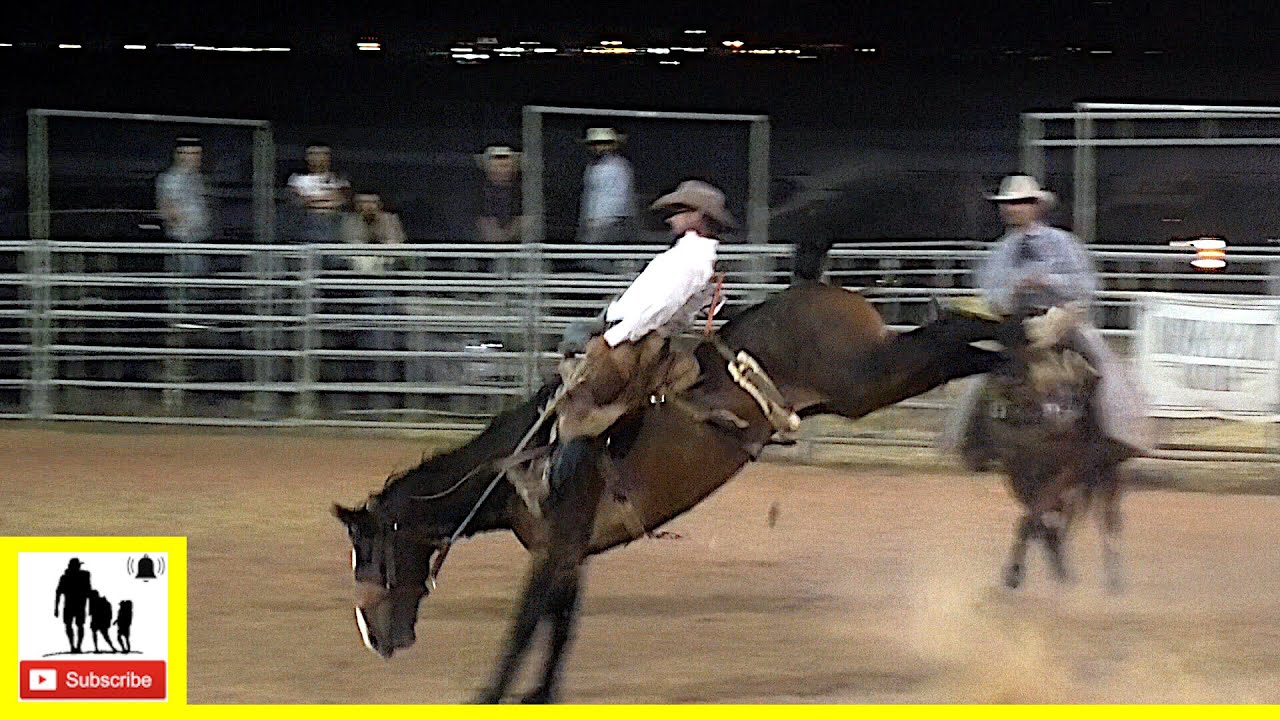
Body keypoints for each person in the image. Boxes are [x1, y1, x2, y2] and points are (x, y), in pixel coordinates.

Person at [942, 175, 1155, 469]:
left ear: (1036, 207)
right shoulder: (1001, 252)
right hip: (1018, 320)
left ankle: (1117, 434)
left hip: (1059, 316)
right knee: (983, 371)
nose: (1014, 209)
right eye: (1009, 204)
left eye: (1021, 203)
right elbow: (990, 292)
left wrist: (1047, 282)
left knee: (1100, 364)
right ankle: (975, 442)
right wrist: (1013, 292)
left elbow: (1085, 284)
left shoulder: (1062, 243)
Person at [554, 180, 732, 441]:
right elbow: (674, 311)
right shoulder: (692, 257)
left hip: (628, 334)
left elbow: (661, 306)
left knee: (583, 407)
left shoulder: (691, 260)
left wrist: (614, 338)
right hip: (626, 327)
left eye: (679, 211)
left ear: (698, 216)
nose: (672, 218)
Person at [576, 128, 636, 272]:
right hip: (595, 222)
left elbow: (620, 197)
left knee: (597, 260)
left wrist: (605, 220)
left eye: (604, 143)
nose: (599, 148)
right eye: (596, 144)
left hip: (610, 222)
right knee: (592, 261)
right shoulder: (592, 167)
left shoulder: (619, 166)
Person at [287, 142, 351, 243]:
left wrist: (313, 199)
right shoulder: (297, 179)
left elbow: (341, 200)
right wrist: (327, 198)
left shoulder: (339, 179)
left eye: (322, 154)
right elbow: (300, 202)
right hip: (307, 224)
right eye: (313, 154)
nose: (317, 158)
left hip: (334, 224)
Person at [337, 191, 406, 273]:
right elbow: (352, 243)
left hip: (387, 263)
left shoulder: (390, 219)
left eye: (373, 202)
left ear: (380, 204)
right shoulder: (349, 220)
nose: (368, 206)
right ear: (356, 205)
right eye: (363, 202)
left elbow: (394, 243)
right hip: (358, 263)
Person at [475, 145, 524, 243]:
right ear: (487, 170)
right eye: (496, 167)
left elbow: (528, 224)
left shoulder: (526, 194)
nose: (502, 171)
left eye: (505, 166)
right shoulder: (478, 196)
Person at [54, 558, 92, 653]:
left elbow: (88, 591)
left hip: (77, 605)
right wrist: (56, 608)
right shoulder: (67, 577)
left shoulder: (84, 575)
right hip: (74, 605)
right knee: (72, 625)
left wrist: (56, 608)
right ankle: (74, 646)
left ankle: (77, 646)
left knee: (77, 625)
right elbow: (58, 592)